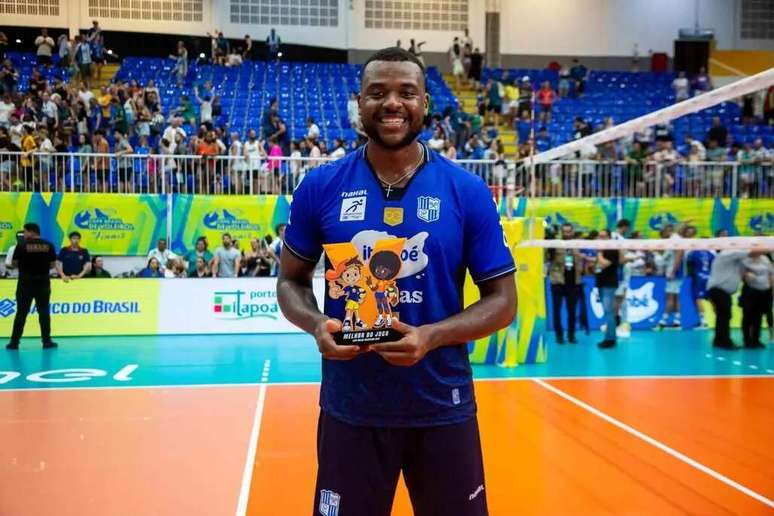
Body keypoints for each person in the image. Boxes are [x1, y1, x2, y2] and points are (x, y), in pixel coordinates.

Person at [277, 47, 516, 516]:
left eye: (406, 93)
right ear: (359, 103)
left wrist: (430, 336)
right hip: (352, 409)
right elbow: (290, 282)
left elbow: (503, 301)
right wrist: (316, 325)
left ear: (426, 103)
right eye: (377, 93)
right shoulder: (320, 187)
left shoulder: (466, 190)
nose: (391, 104)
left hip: (442, 406)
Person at [6, 223, 58, 350]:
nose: (24, 235)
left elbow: (14, 263)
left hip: (25, 283)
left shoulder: (22, 245)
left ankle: (14, 343)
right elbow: (52, 265)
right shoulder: (49, 245)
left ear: (31, 232)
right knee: (44, 312)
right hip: (43, 283)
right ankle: (46, 341)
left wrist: (26, 266)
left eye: (25, 232)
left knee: (21, 313)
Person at [547, 223, 583, 344]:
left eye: (569, 231)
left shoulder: (577, 245)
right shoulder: (555, 244)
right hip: (558, 282)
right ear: (561, 232)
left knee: (572, 311)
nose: (567, 234)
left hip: (573, 282)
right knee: (556, 310)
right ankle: (559, 335)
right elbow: (549, 258)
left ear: (572, 232)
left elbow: (580, 260)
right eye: (565, 231)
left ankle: (571, 335)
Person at [740, 252, 773, 348]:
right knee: (747, 316)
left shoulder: (765, 259)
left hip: (764, 292)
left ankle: (756, 340)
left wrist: (771, 289)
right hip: (750, 291)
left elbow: (770, 274)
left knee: (758, 317)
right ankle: (747, 340)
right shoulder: (745, 260)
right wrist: (746, 275)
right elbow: (741, 275)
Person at [595, 229, 620, 348]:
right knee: (607, 312)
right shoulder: (602, 250)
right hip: (601, 283)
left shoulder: (612, 249)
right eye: (599, 236)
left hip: (609, 284)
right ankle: (610, 337)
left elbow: (604, 263)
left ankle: (610, 339)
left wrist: (599, 253)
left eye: (604, 236)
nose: (601, 238)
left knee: (608, 311)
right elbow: (598, 265)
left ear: (609, 237)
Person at [657, 225, 683, 329]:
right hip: (675, 272)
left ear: (667, 231)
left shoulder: (675, 239)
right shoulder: (674, 238)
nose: (662, 238)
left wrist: (673, 271)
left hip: (674, 273)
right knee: (676, 297)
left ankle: (662, 322)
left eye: (662, 235)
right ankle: (677, 321)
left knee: (670, 298)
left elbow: (679, 254)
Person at [686, 242, 715, 328]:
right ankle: (720, 318)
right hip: (709, 276)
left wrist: (690, 276)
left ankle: (703, 321)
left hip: (698, 277)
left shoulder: (693, 253)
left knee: (698, 298)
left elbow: (689, 265)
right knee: (711, 298)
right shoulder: (710, 253)